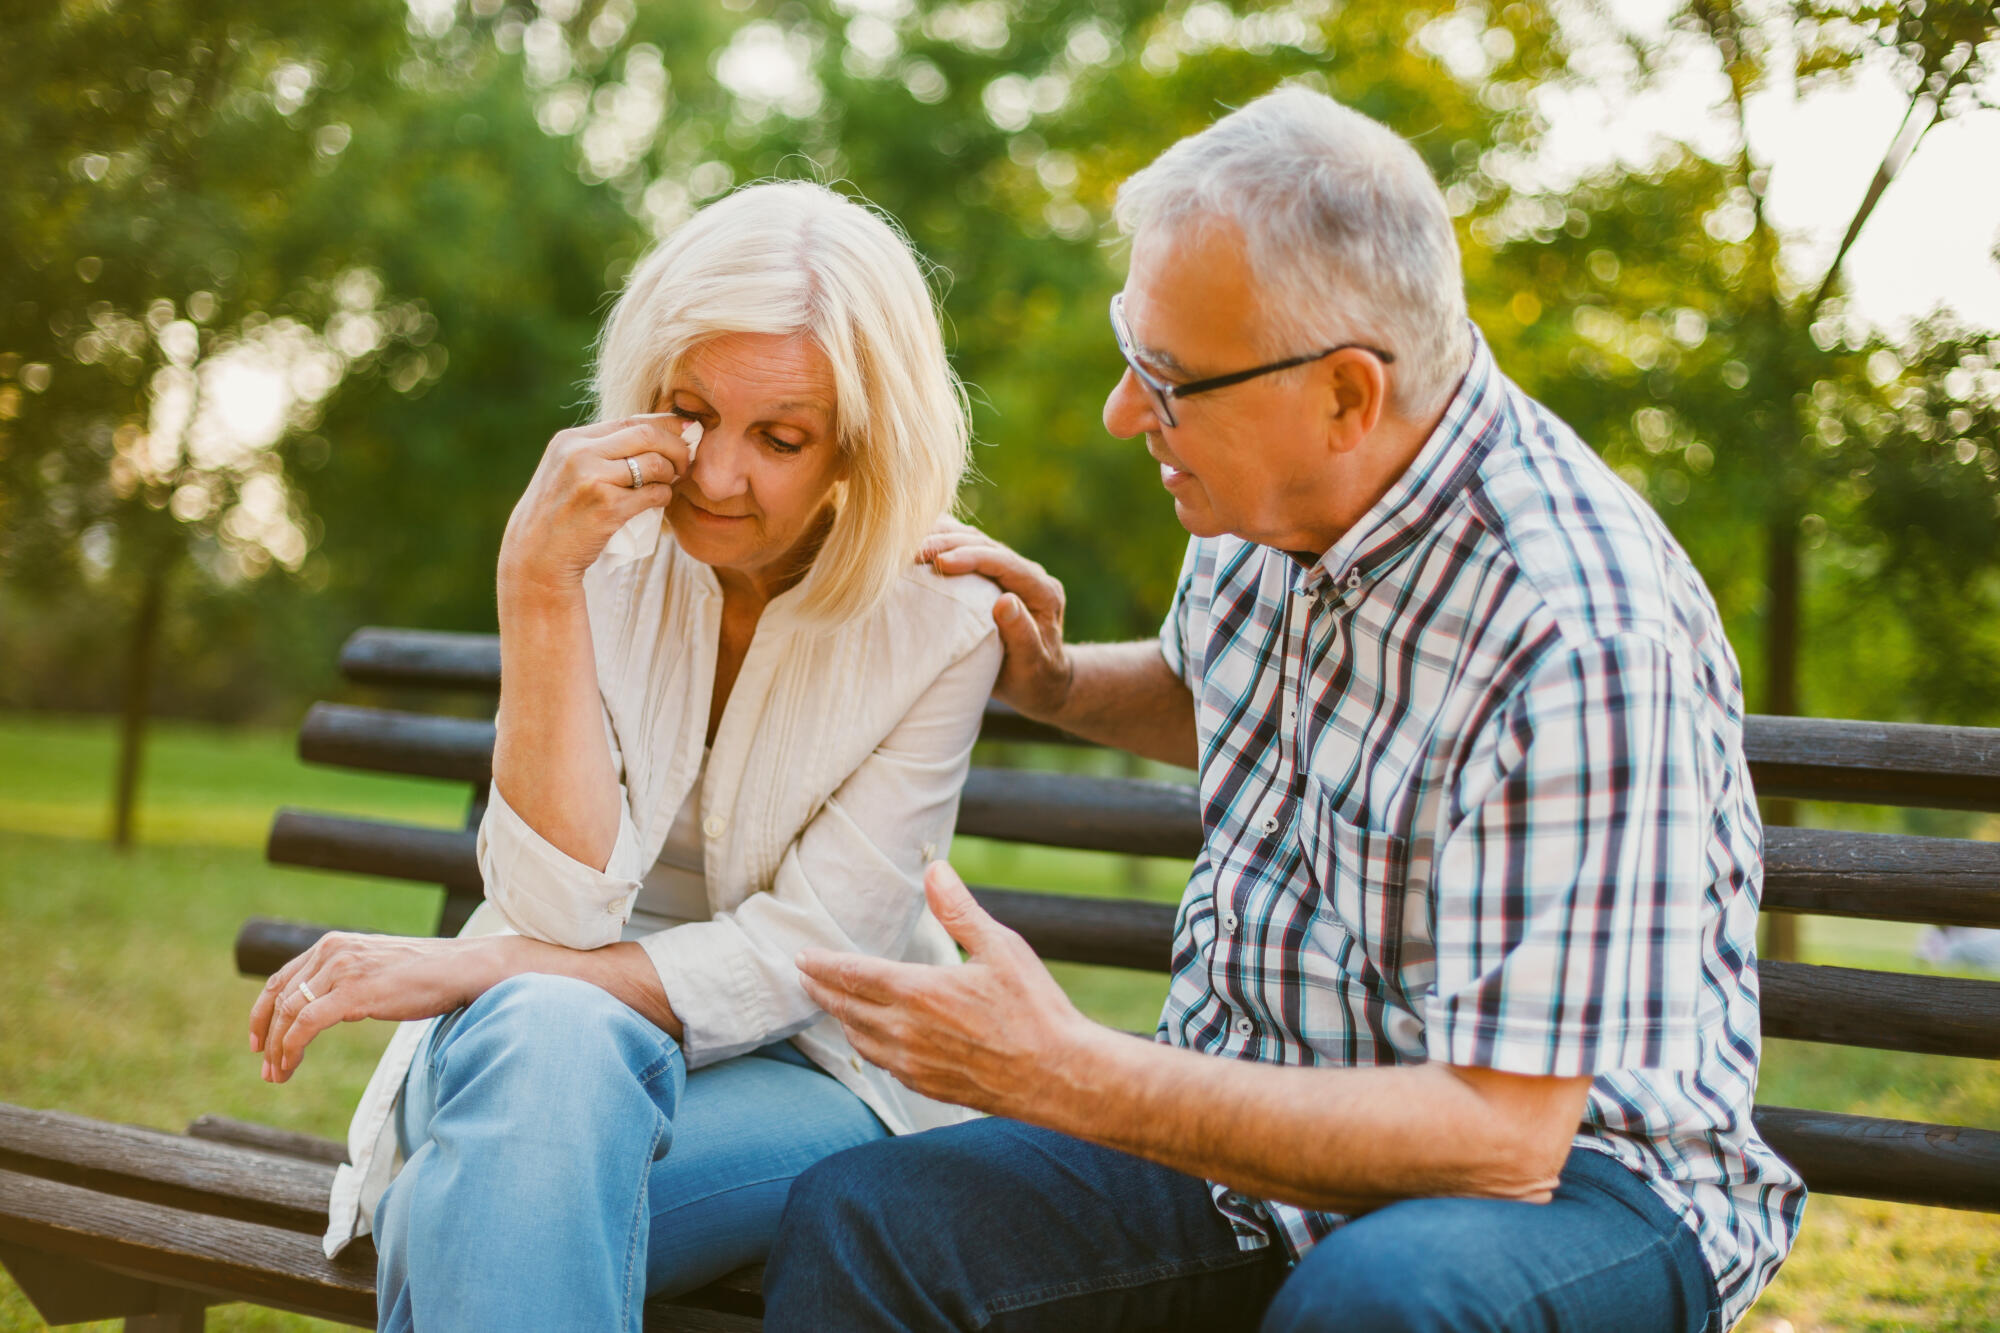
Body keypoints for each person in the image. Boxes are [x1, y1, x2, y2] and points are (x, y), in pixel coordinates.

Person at [771, 87, 1806, 1333]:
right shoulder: (1261, 500)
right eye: (1129, 349)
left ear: (1346, 396)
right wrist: (1048, 680)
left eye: (1169, 379)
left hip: (1576, 1183)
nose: (1121, 412)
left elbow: (1501, 1137)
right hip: (1252, 1140)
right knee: (872, 1220)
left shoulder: (1576, 634)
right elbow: (1218, 701)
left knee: (1375, 1305)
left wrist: (1068, 1071)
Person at [245, 179, 1003, 1332]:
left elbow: (812, 959)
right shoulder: (594, 553)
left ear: (860, 441)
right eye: (690, 410)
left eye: (780, 438)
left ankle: (463, 1190)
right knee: (544, 1056)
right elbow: (553, 906)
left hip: (811, 1072)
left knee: (466, 1204)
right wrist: (534, 583)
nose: (712, 473)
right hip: (530, 1059)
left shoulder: (941, 623)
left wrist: (478, 969)